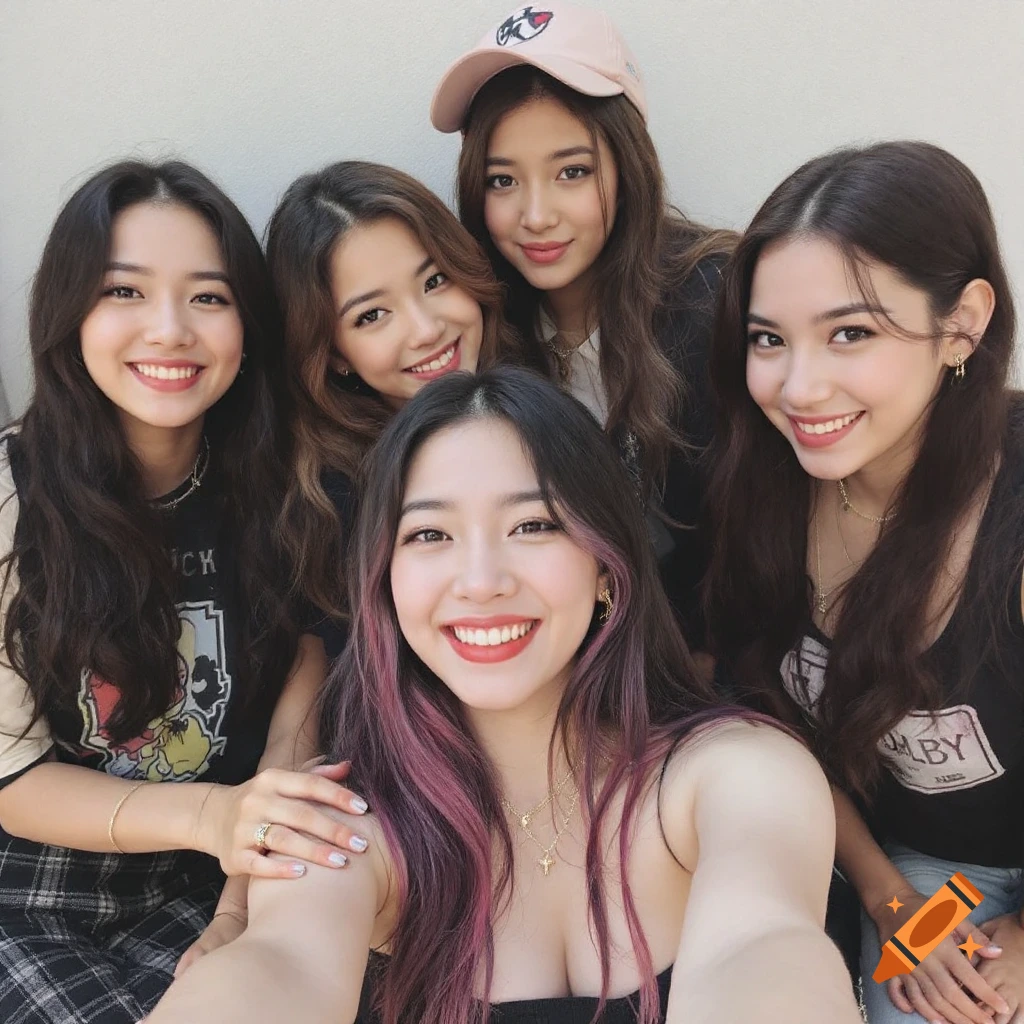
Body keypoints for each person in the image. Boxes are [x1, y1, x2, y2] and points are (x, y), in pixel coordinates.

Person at [147, 366, 861, 1024]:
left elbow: (766, 951)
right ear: (384, 582)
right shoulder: (344, 828)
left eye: (533, 525)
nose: (481, 579)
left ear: (607, 566)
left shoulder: (737, 774)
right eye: (430, 534)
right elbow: (278, 968)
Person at [0, 160, 369, 1024]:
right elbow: (10, 780)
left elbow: (297, 699)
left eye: (208, 297)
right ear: (68, 314)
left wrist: (240, 903)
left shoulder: (286, 485)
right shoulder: (15, 496)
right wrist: (212, 816)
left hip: (211, 870)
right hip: (29, 878)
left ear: (247, 329)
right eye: (123, 292)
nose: (168, 330)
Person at [705, 141, 1024, 1024]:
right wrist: (898, 910)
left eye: (850, 332)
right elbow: (776, 728)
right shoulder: (766, 487)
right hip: (925, 867)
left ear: (962, 323)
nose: (799, 387)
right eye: (769, 340)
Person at [430, 2, 735, 643]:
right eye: (502, 180)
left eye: (573, 172)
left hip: (707, 662)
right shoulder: (479, 324)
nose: (535, 215)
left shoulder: (711, 302)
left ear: (627, 165)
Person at [267, 161, 520, 658]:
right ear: (335, 355)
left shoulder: (540, 413)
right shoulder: (334, 502)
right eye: (373, 315)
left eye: (435, 281)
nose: (425, 329)